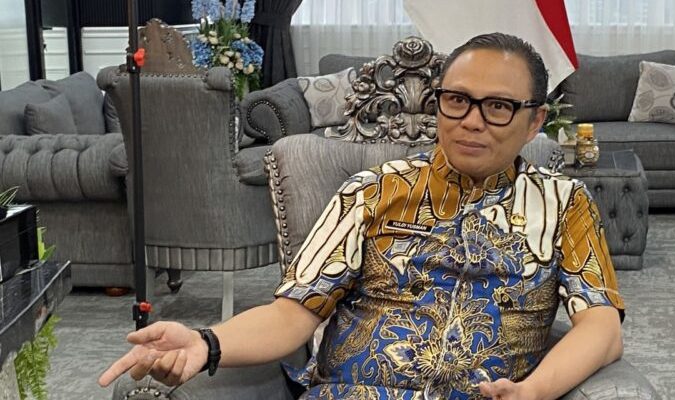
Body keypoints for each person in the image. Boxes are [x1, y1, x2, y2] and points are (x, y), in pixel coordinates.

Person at [99, 32, 625, 400]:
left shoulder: (565, 204)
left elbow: (602, 326)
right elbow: (293, 314)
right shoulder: (374, 191)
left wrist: (534, 391)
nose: (471, 121)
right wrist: (207, 341)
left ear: (534, 122)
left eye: (498, 107)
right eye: (457, 100)